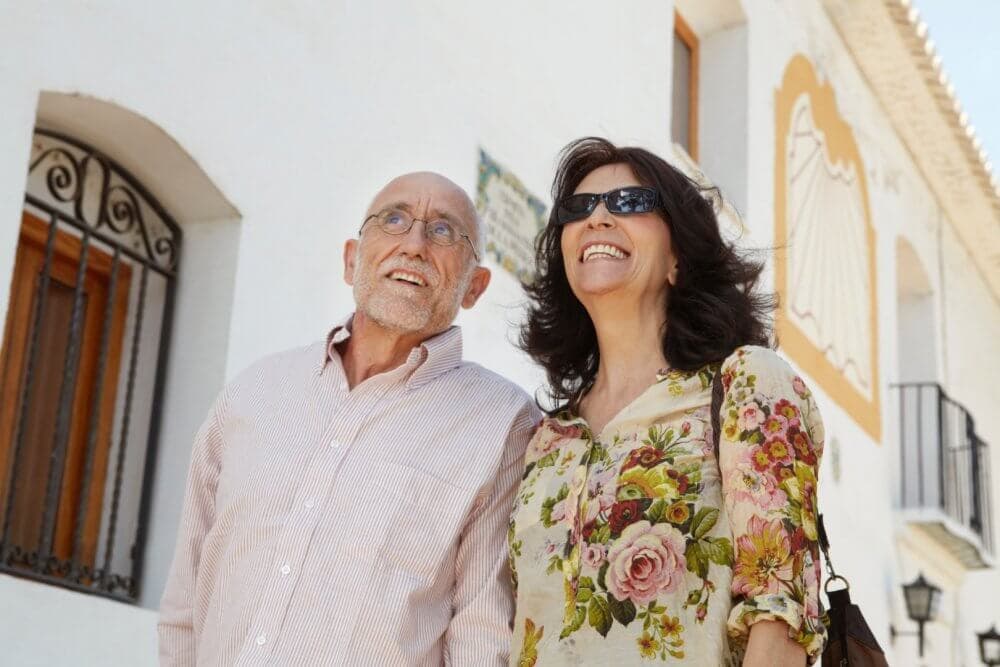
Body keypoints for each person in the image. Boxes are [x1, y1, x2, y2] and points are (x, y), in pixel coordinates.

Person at [158, 172, 542, 666]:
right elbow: (186, 599)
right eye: (394, 220)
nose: (414, 245)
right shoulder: (254, 393)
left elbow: (482, 638)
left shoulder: (503, 423)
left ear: (474, 286)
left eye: (444, 231)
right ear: (351, 260)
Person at [508, 138, 827, 666]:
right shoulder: (547, 440)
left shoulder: (746, 385)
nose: (598, 217)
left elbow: (781, 620)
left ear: (679, 258)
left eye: (631, 202)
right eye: (578, 208)